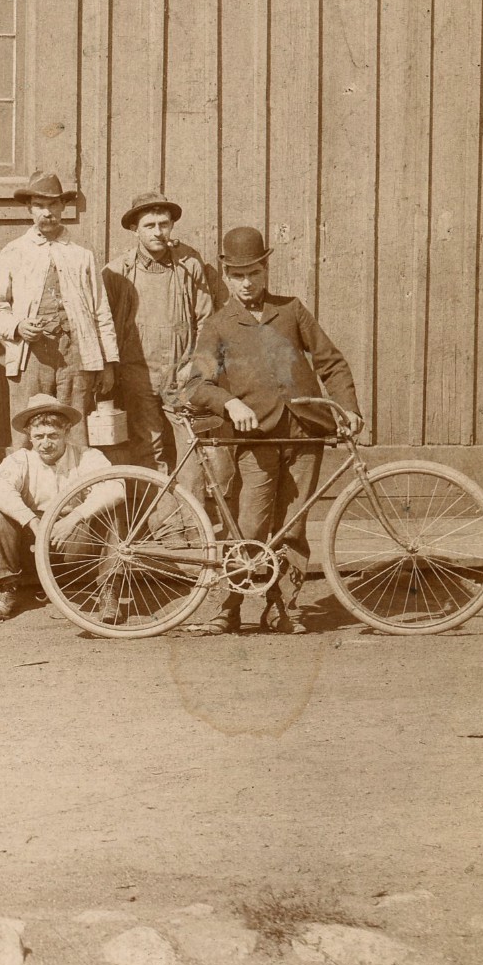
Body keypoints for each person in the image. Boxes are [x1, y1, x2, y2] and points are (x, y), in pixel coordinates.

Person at [180, 227, 363, 636]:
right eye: (239, 274)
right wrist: (230, 403)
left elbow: (331, 363)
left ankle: (284, 608)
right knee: (249, 524)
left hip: (304, 432)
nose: (248, 283)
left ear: (266, 269)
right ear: (226, 275)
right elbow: (196, 384)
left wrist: (347, 409)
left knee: (293, 526)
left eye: (255, 273)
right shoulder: (219, 325)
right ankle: (226, 608)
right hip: (255, 440)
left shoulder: (292, 310)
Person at [0, 171, 119, 447]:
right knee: (27, 430)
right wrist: (17, 326)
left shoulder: (81, 255)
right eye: (40, 206)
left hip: (76, 355)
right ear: (30, 209)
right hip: (30, 356)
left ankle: (75, 489)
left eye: (53, 205)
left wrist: (108, 364)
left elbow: (101, 311)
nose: (47, 212)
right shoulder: (14, 252)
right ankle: (25, 489)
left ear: (63, 207)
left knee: (75, 431)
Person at [103, 190, 213, 484]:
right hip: (138, 374)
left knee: (191, 448)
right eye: (149, 226)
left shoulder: (189, 264)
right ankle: (158, 525)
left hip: (183, 372)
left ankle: (193, 526)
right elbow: (104, 325)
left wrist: (197, 364)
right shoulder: (117, 272)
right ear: (134, 230)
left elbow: (206, 319)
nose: (158, 232)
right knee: (148, 450)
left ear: (171, 227)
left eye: (163, 224)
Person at [0, 394, 116, 621]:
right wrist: (33, 522)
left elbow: (114, 487)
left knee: (111, 508)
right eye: (39, 436)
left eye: (53, 435)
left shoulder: (88, 456)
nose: (46, 443)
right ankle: (7, 588)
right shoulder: (20, 460)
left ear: (67, 432)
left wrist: (74, 519)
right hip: (31, 546)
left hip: (74, 543)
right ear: (29, 437)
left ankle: (109, 589)